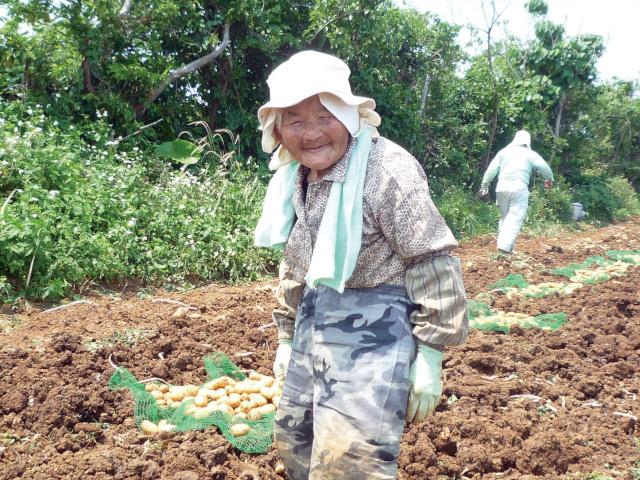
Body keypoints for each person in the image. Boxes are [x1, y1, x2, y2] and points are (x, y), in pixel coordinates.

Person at [254, 50, 468, 480]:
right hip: (317, 313)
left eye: (324, 115)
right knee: (295, 438)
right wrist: (285, 335)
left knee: (349, 460)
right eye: (295, 120)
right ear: (277, 128)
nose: (311, 133)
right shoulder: (295, 174)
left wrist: (430, 354)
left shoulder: (387, 171)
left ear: (348, 115)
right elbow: (298, 257)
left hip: (377, 321)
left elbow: (430, 256)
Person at [479, 130, 554, 254]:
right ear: (527, 142)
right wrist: (549, 179)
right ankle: (503, 249)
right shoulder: (530, 154)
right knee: (515, 216)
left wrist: (484, 185)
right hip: (519, 187)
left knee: (506, 218)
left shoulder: (503, 153)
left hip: (501, 187)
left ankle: (507, 248)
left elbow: (491, 169)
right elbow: (544, 167)